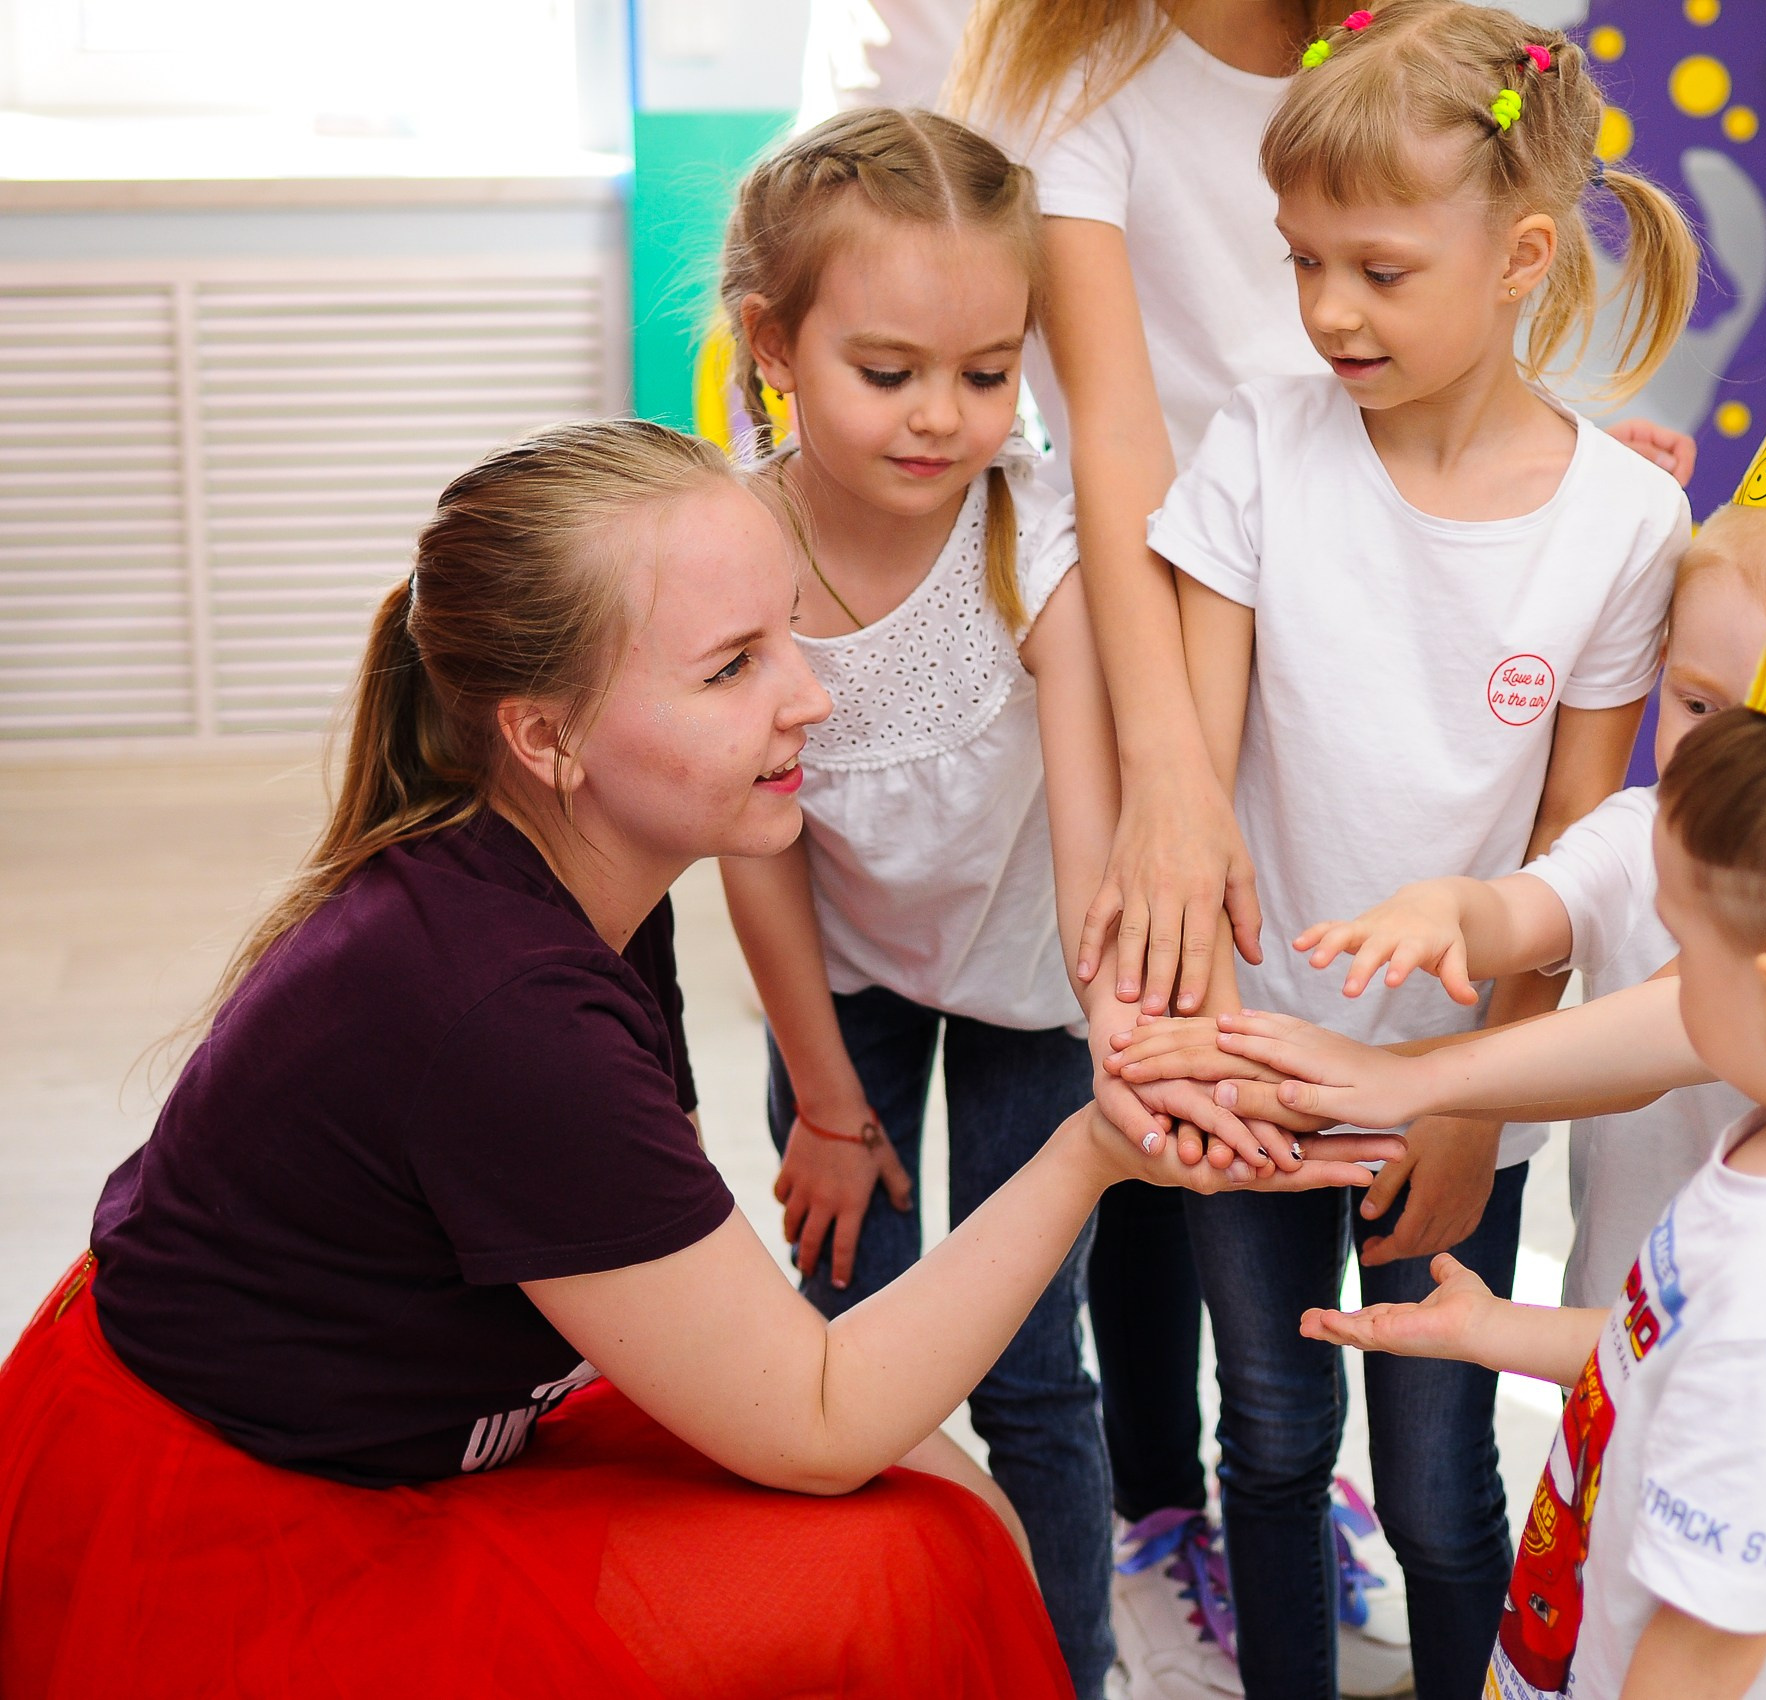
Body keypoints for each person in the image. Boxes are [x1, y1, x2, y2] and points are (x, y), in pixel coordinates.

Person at [0, 419, 1397, 1696]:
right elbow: (820, 1416)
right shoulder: (498, 1009)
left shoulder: (578, 881)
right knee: (900, 1564)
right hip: (255, 1507)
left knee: (942, 1500)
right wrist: (1094, 1147)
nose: (814, 700)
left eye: (789, 635)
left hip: (399, 1406)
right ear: (545, 738)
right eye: (734, 669)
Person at [953, 10, 1697, 1686]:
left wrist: (1482, 1091)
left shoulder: (1621, 525)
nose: (1327, 312)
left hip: (1458, 1093)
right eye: (1301, 263)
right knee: (1272, 1440)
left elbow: (1577, 853)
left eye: (1375, 267)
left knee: (1443, 1498)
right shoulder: (1266, 448)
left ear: (1519, 257)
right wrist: (1193, 1030)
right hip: (1259, 1056)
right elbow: (1193, 774)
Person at [1124, 393, 1766, 1696]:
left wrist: (1421, 1082)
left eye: (1683, 956)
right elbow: (1671, 1344)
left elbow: (1693, 1651)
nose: (1653, 982)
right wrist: (1499, 1330)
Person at [709, 107, 1273, 1698]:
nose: (940, 418)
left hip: (1035, 981)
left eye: (985, 370)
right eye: (887, 374)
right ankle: (862, 1655)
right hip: (848, 992)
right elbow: (760, 856)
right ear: (772, 343)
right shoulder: (736, 556)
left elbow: (1098, 832)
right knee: (847, 1332)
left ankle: (1063, 1668)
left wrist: (1124, 1036)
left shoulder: (1034, 528)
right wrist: (823, 1098)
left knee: (1032, 1366)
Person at [1268, 502, 1766, 1311]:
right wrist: (1443, 906)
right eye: (1696, 707)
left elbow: (1663, 1038)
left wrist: (1408, 1080)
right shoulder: (1640, 835)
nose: (1719, 757)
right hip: (1609, 1318)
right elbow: (1527, 909)